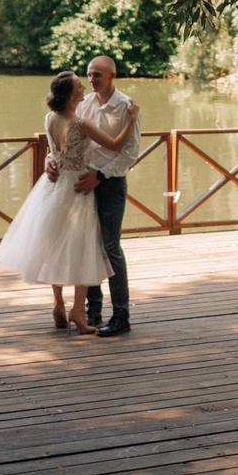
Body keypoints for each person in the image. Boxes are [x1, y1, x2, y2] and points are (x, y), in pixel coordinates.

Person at [0, 72, 110, 335]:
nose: (84, 89)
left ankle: (58, 306)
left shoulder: (50, 118)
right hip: (77, 187)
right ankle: (78, 312)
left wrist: (49, 159)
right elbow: (115, 145)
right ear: (71, 96)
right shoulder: (81, 124)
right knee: (82, 246)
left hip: (53, 187)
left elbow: (53, 149)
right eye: (80, 86)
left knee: (51, 241)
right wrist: (134, 120)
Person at [70, 54, 141, 335]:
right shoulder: (83, 104)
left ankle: (121, 315)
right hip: (83, 181)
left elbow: (131, 153)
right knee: (88, 245)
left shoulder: (125, 106)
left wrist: (100, 175)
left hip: (109, 183)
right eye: (88, 74)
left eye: (97, 74)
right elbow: (69, 138)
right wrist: (52, 159)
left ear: (112, 76)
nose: (91, 79)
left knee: (111, 247)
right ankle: (93, 311)